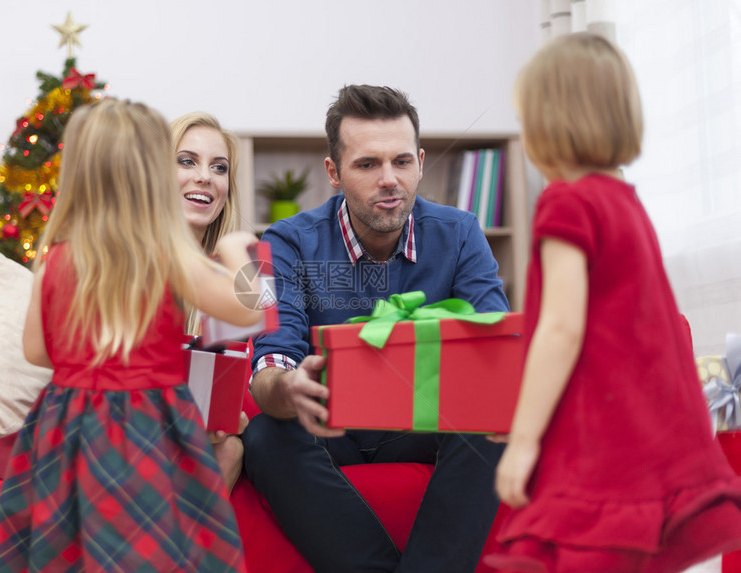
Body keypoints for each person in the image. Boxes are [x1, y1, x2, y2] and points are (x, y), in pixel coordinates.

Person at [486, 33, 741, 572]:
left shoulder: (566, 203)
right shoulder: (626, 203)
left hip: (600, 446)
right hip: (644, 435)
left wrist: (525, 440)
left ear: (549, 122)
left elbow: (561, 329)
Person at [242, 84, 510, 572]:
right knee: (264, 435)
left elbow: (493, 353)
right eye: (367, 164)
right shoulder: (283, 241)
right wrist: (287, 386)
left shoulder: (461, 232)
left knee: (497, 424)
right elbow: (271, 359)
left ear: (421, 163)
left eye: (401, 162)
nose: (389, 179)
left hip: (420, 426)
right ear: (334, 173)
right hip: (328, 428)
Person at [0, 99, 261, 572]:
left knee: (67, 551)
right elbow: (252, 311)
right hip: (146, 427)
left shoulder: (55, 261)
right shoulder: (172, 257)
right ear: (152, 177)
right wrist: (241, 250)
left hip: (66, 429)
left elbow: (36, 351)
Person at [170, 111, 247, 493]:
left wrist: (229, 420)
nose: (205, 177)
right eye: (187, 161)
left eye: (219, 168)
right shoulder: (126, 260)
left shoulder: (234, 271)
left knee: (231, 447)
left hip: (195, 439)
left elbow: (236, 388)